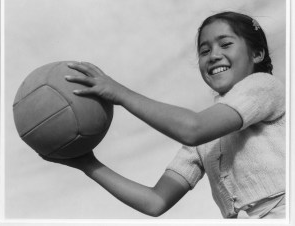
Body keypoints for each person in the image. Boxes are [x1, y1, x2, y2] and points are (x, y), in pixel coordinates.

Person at [41, 11, 285, 219]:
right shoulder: (206, 143)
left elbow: (193, 129)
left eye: (226, 44)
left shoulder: (263, 87)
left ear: (257, 54)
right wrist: (88, 164)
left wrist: (120, 93)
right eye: (204, 50)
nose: (213, 55)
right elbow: (155, 201)